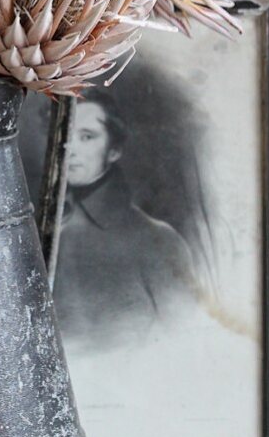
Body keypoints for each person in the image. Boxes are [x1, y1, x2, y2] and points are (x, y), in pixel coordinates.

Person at [52, 87, 196, 350]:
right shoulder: (33, 229)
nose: (70, 149)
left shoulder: (157, 239)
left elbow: (184, 341)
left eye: (87, 137)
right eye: (65, 135)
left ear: (114, 150)